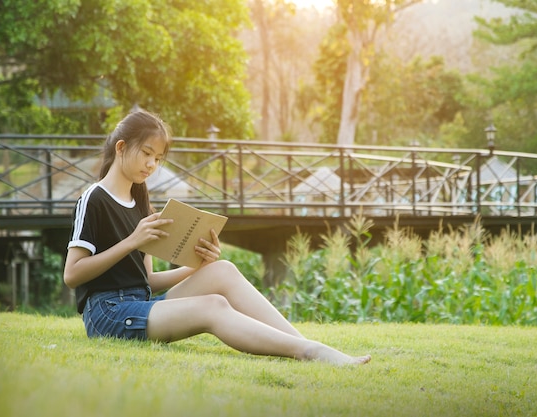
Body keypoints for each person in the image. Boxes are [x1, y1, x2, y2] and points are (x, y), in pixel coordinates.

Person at [63, 110, 371, 366]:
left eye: (157, 158)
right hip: (108, 314)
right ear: (120, 148)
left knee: (222, 270)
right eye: (146, 154)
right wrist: (132, 241)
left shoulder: (142, 202)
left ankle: (304, 344)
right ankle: (307, 352)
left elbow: (147, 281)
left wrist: (197, 266)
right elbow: (72, 275)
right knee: (213, 306)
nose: (151, 165)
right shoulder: (94, 199)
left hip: (140, 305)